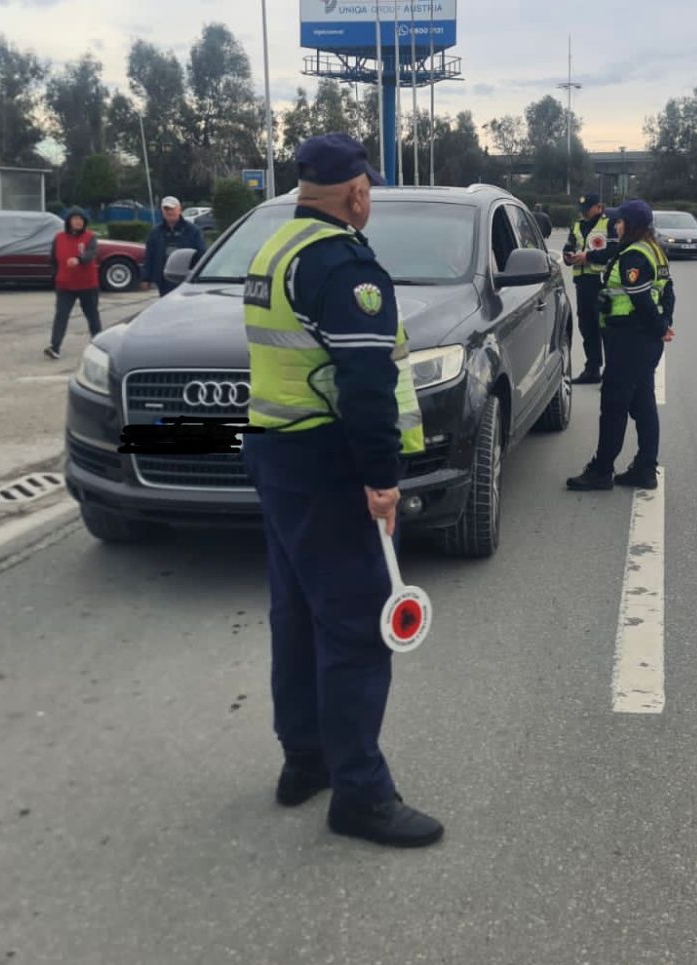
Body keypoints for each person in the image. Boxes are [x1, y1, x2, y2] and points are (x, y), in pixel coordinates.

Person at [241, 132, 443, 849]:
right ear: (357, 193)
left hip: (277, 451)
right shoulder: (341, 262)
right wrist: (382, 479)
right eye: (370, 192)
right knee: (356, 626)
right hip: (327, 463)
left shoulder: (275, 248)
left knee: (296, 615)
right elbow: (364, 383)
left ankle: (306, 760)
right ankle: (359, 792)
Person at [566, 199, 674, 492]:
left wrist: (660, 327)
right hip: (643, 341)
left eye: (621, 221)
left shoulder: (634, 257)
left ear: (633, 225)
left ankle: (601, 470)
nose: (616, 225)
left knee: (613, 406)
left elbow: (640, 300)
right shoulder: (654, 250)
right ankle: (645, 468)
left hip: (630, 339)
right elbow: (668, 294)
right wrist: (663, 326)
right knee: (642, 404)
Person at [562, 193, 610, 384]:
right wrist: (568, 256)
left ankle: (612, 372)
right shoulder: (577, 225)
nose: (583, 211)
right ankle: (592, 369)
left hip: (601, 283)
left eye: (588, 208)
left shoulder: (608, 225)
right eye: (582, 208)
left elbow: (612, 251)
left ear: (598, 207)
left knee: (605, 327)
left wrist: (588, 257)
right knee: (587, 327)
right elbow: (569, 245)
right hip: (582, 283)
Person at [43, 206, 102, 361]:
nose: (78, 222)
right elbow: (52, 259)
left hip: (87, 285)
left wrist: (79, 259)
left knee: (92, 316)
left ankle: (100, 345)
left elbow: (91, 254)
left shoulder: (90, 237)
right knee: (61, 316)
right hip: (64, 286)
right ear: (69, 221)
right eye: (75, 219)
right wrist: (55, 275)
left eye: (81, 219)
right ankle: (54, 347)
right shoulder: (59, 238)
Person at [140, 196, 205, 296]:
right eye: (166, 209)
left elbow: (201, 254)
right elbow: (149, 256)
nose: (169, 212)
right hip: (163, 280)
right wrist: (145, 278)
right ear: (162, 211)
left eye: (172, 209)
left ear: (179, 210)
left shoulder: (193, 231)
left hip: (186, 279)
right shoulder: (155, 232)